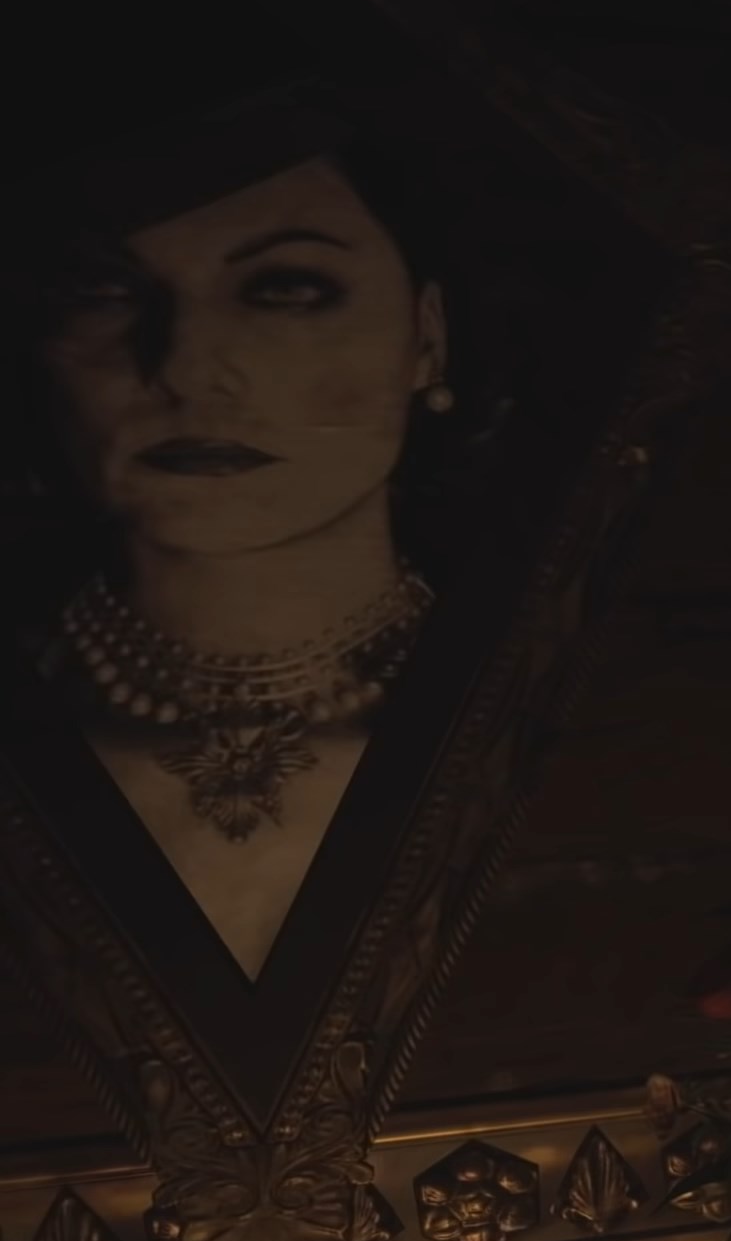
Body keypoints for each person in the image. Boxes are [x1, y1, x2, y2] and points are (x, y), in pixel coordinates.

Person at [14, 83, 456, 977]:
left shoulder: (530, 693)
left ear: (426, 338)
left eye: (284, 289)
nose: (185, 366)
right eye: (103, 290)